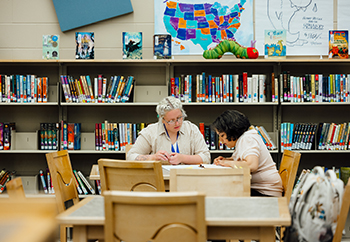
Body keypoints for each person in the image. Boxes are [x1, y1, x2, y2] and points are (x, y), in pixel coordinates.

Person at [212, 110, 282, 197]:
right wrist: (225, 160)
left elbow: (252, 165)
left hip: (266, 193)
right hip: (262, 189)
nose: (221, 140)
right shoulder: (244, 138)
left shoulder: (248, 139)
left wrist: (227, 163)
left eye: (222, 135)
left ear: (232, 131)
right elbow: (241, 159)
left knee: (223, 193)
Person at [127, 96, 211, 165]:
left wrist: (183, 158)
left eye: (179, 118)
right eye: (171, 121)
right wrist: (152, 157)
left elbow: (206, 157)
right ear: (162, 119)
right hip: (160, 180)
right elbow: (130, 157)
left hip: (188, 180)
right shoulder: (150, 132)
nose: (177, 123)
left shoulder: (192, 129)